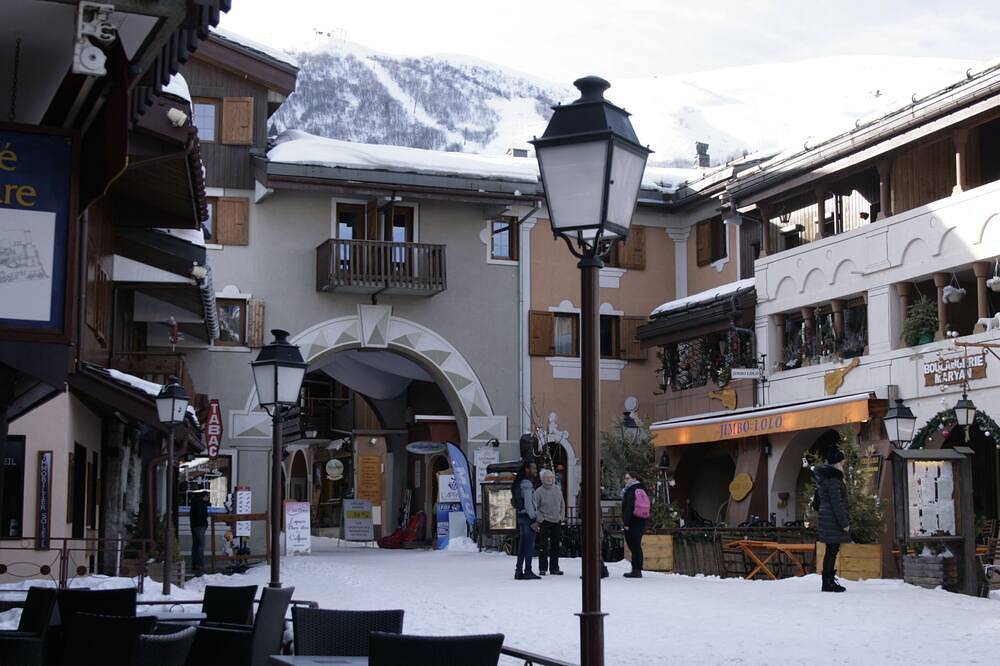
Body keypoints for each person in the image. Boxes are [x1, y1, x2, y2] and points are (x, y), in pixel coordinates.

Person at [813, 446, 850, 592]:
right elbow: (837, 504)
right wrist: (844, 523)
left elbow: (816, 503)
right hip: (833, 520)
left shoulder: (824, 479)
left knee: (831, 550)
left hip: (827, 518)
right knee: (832, 551)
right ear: (836, 463)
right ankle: (828, 583)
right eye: (842, 463)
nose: (843, 466)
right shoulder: (834, 480)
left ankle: (827, 581)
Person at [533, 468, 565, 575]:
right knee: (543, 545)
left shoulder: (557, 489)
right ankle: (543, 568)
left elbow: (562, 504)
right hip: (544, 520)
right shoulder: (539, 491)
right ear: (543, 479)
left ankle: (554, 568)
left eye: (551, 477)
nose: (549, 479)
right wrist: (540, 519)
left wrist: (561, 516)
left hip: (556, 520)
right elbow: (535, 507)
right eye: (547, 478)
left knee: (555, 545)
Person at [513, 460, 541, 580]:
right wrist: (534, 518)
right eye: (533, 468)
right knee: (529, 545)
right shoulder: (527, 484)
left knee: (522, 545)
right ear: (527, 470)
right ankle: (527, 570)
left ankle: (518, 570)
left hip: (521, 516)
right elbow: (528, 503)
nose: (536, 471)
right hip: (528, 517)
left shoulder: (519, 483)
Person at [621, 472, 648, 578]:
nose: (625, 480)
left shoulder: (631, 490)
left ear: (634, 478)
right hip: (641, 520)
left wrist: (626, 523)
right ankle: (637, 569)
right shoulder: (642, 488)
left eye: (628, 478)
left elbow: (629, 507)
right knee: (636, 544)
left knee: (634, 545)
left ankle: (636, 570)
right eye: (625, 478)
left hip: (632, 521)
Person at [189, 489, 210, 576]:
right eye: (208, 496)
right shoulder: (201, 504)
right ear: (204, 497)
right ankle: (200, 565)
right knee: (201, 545)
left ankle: (194, 564)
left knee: (195, 545)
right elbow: (202, 515)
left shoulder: (194, 503)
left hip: (194, 526)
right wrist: (205, 523)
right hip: (200, 526)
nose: (208, 498)